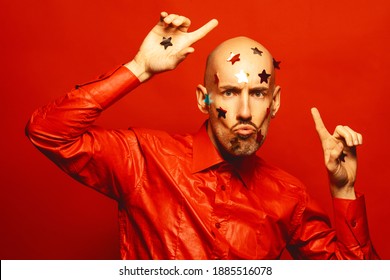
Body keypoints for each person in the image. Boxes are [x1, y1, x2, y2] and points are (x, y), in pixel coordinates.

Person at [26, 12, 379, 260]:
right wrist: (140, 68)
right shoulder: (144, 160)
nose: (244, 111)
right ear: (203, 98)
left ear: (274, 102)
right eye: (228, 92)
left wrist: (343, 191)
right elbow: (48, 132)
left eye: (257, 93)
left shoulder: (289, 198)